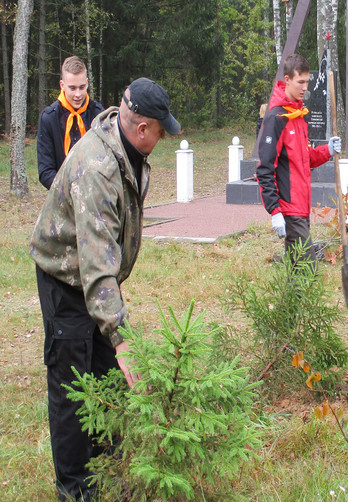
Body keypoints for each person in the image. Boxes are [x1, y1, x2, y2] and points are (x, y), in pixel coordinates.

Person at [30, 77, 180, 502]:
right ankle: (75, 489)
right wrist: (121, 336)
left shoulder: (127, 147)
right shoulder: (97, 168)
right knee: (73, 384)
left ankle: (107, 469)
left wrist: (113, 337)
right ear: (143, 128)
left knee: (108, 376)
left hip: (96, 278)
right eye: (162, 130)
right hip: (66, 280)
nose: (164, 138)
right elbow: (95, 268)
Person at [256, 53, 341, 263]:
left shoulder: (299, 116)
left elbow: (305, 158)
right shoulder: (277, 117)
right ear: (287, 80)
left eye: (307, 82)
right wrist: (274, 210)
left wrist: (327, 150)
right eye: (300, 82)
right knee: (306, 270)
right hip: (289, 207)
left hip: (302, 205)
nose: (305, 88)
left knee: (298, 270)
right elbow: (264, 168)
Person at [37, 56, 105, 190]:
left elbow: (108, 160)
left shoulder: (99, 114)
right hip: (62, 196)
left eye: (82, 87)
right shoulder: (49, 118)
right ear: (62, 85)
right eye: (72, 88)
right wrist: (69, 191)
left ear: (87, 82)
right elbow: (45, 171)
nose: (78, 94)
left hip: (95, 194)